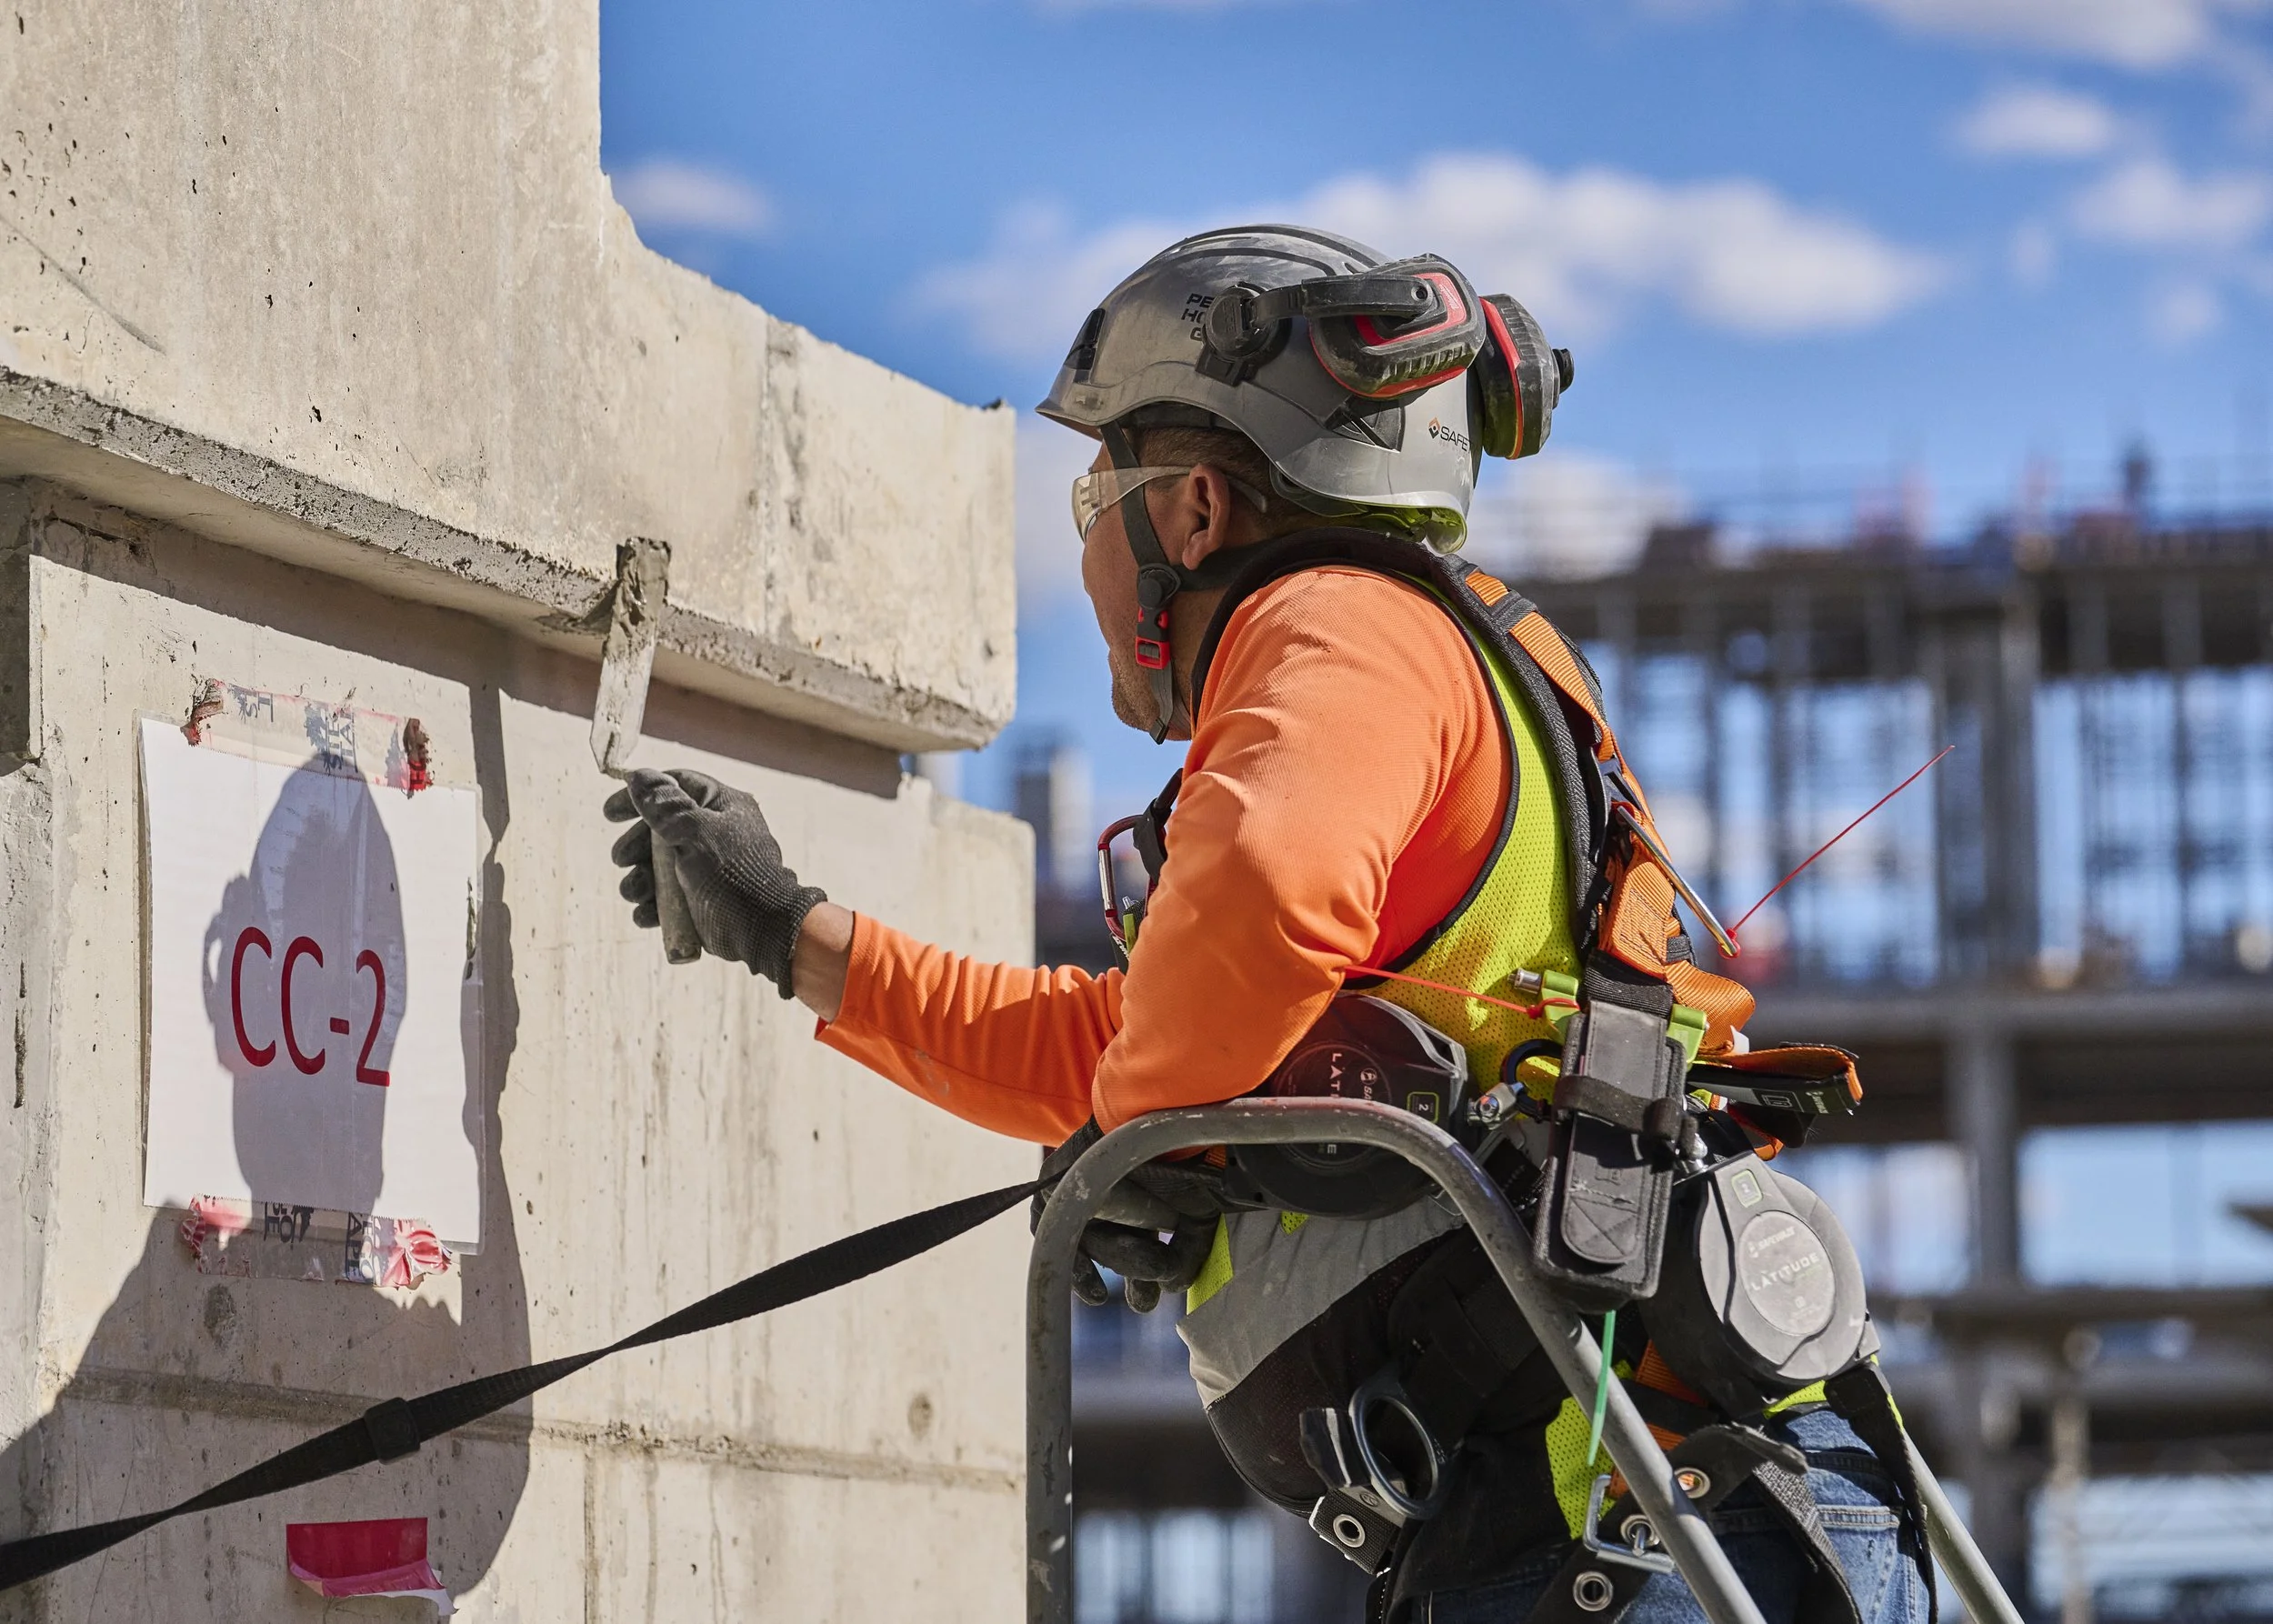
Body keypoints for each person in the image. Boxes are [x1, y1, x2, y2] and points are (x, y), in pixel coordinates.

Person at [603, 226, 1930, 1624]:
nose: (1087, 549)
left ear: (1191, 512)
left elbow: (1214, 990)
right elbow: (1150, 1043)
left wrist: (1159, 1141)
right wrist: (795, 936)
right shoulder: (1429, 658)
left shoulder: (1336, 628)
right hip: (1656, 1504)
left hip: (1622, 1516)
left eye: (1095, 495)